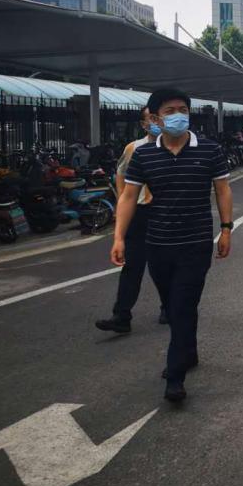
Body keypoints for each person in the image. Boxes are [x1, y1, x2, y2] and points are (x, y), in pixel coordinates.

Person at [112, 89, 234, 404]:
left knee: (181, 306)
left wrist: (226, 229)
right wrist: (119, 236)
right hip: (158, 244)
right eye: (170, 111)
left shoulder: (209, 150)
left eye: (183, 109)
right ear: (155, 118)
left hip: (195, 243)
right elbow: (128, 196)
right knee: (174, 304)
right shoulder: (144, 155)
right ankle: (188, 351)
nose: (178, 115)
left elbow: (222, 190)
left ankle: (175, 376)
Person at [96, 106, 167, 333]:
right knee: (132, 265)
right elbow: (121, 173)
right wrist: (122, 201)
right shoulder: (133, 148)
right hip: (138, 212)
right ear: (144, 124)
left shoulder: (173, 147)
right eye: (151, 119)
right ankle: (122, 316)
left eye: (159, 117)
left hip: (162, 213)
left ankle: (168, 306)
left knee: (162, 264)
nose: (156, 122)